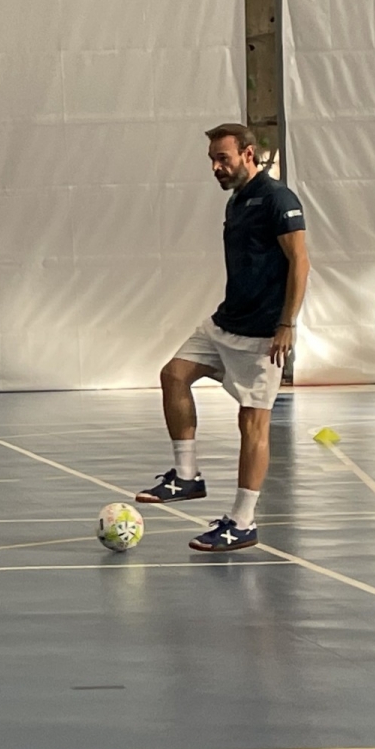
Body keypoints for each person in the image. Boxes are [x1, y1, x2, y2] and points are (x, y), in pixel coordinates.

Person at [136, 124, 309, 551]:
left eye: (223, 159)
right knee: (173, 375)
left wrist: (286, 325)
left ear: (249, 154)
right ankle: (187, 476)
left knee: (252, 424)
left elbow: (301, 262)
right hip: (225, 323)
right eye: (213, 160)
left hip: (263, 335)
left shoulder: (278, 200)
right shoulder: (237, 201)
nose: (216, 167)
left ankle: (243, 522)